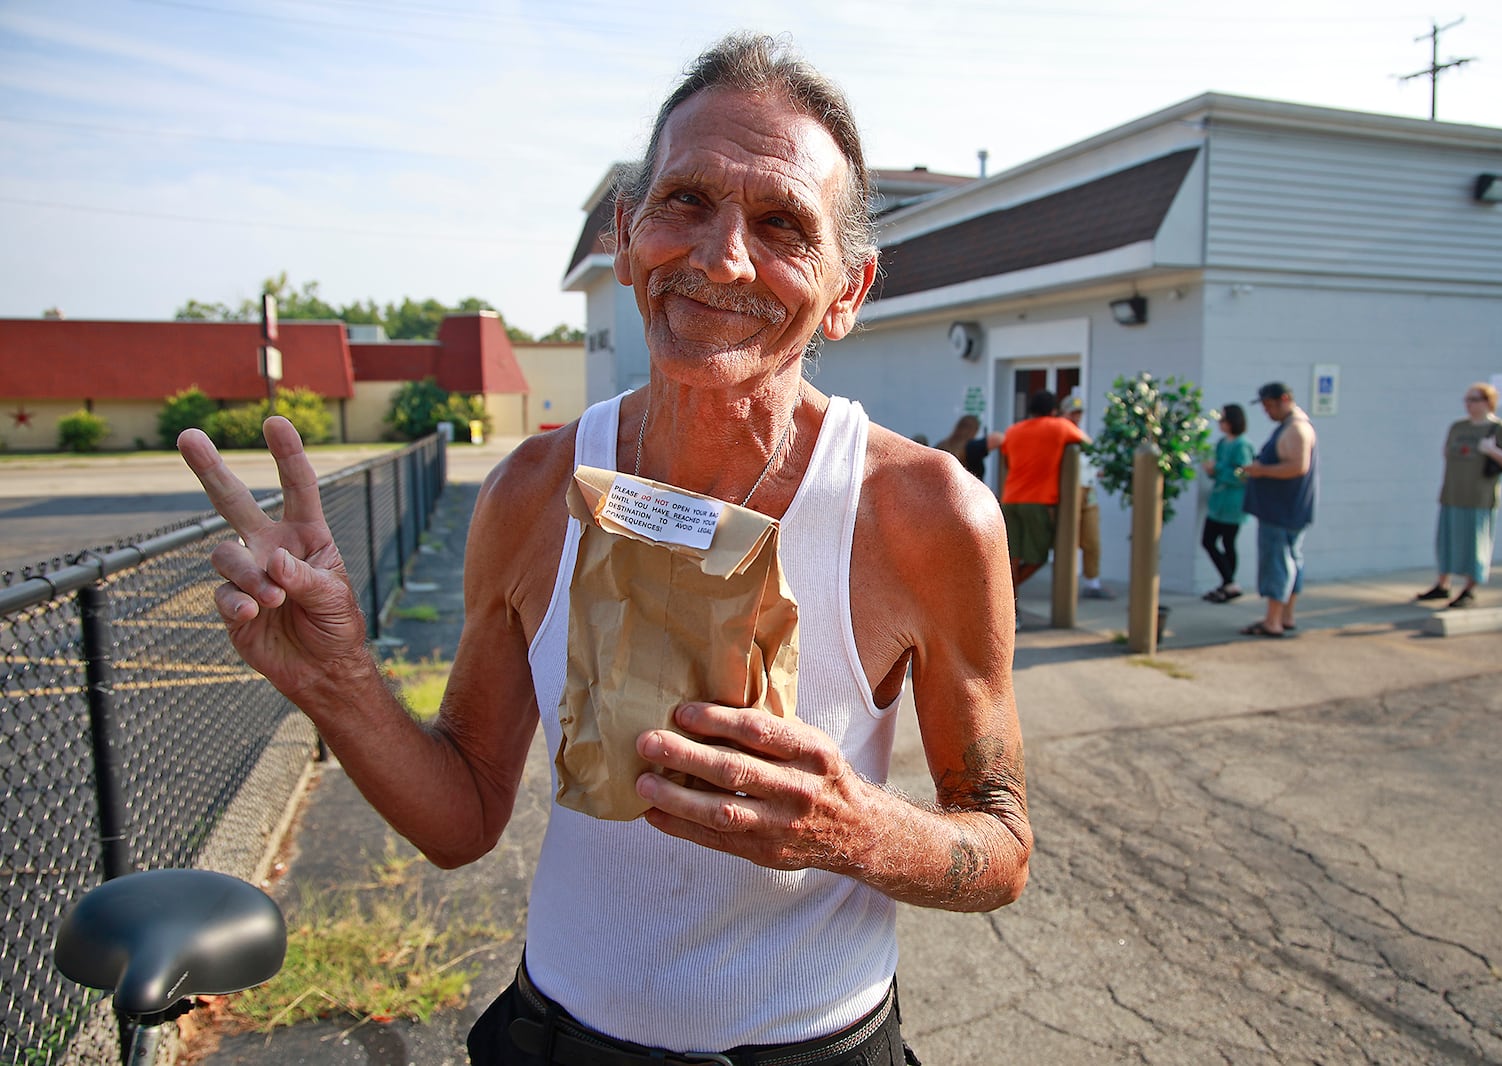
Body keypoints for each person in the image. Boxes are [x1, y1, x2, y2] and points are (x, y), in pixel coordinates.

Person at [178, 33, 1028, 1066]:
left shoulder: (925, 515)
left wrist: (856, 829)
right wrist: (341, 680)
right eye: (684, 201)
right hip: (561, 1039)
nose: (719, 257)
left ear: (847, 291)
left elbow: (1000, 844)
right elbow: (462, 819)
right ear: (627, 236)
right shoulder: (535, 492)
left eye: (780, 224)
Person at [1414, 381, 1502, 609]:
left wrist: (1492, 451)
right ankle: (1442, 584)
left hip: (1479, 498)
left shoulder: (1501, 429)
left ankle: (1469, 589)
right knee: (1446, 541)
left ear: (1487, 402)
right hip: (1452, 494)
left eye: (1473, 399)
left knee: (1474, 545)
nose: (1468, 404)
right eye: (1467, 400)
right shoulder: (1458, 427)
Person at [1239, 382, 1317, 637]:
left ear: (1284, 399)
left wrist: (1261, 470)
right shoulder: (1292, 426)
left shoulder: (1296, 429)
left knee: (1278, 562)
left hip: (1282, 510)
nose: (1267, 412)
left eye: (1270, 405)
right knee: (1291, 560)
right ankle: (1285, 616)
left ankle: (1273, 621)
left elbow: (1297, 466)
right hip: (1286, 508)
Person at [999, 389, 1089, 592]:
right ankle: (1005, 596)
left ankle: (1005, 599)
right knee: (1039, 556)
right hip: (1038, 500)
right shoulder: (1059, 427)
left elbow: (1006, 461)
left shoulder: (1013, 430)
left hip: (1010, 498)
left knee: (1012, 556)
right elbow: (1087, 444)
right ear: (1054, 410)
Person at [1200, 403, 1255, 603]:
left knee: (1227, 542)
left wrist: (1219, 469)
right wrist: (1212, 471)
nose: (1220, 423)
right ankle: (1228, 582)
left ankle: (1229, 583)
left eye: (1223, 419)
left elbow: (1243, 474)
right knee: (1209, 541)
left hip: (1233, 503)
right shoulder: (1223, 443)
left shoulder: (1242, 445)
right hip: (1218, 502)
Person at [1061, 398, 1113, 599]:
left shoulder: (1082, 437)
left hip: (1088, 491)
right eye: (1072, 413)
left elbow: (1092, 465)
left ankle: (1092, 582)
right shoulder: (1063, 434)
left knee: (1092, 539)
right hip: (1071, 490)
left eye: (1078, 413)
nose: (1076, 417)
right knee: (1069, 540)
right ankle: (1067, 585)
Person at [935, 413, 1003, 481]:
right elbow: (998, 438)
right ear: (975, 430)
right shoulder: (971, 447)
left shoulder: (941, 445)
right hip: (970, 489)